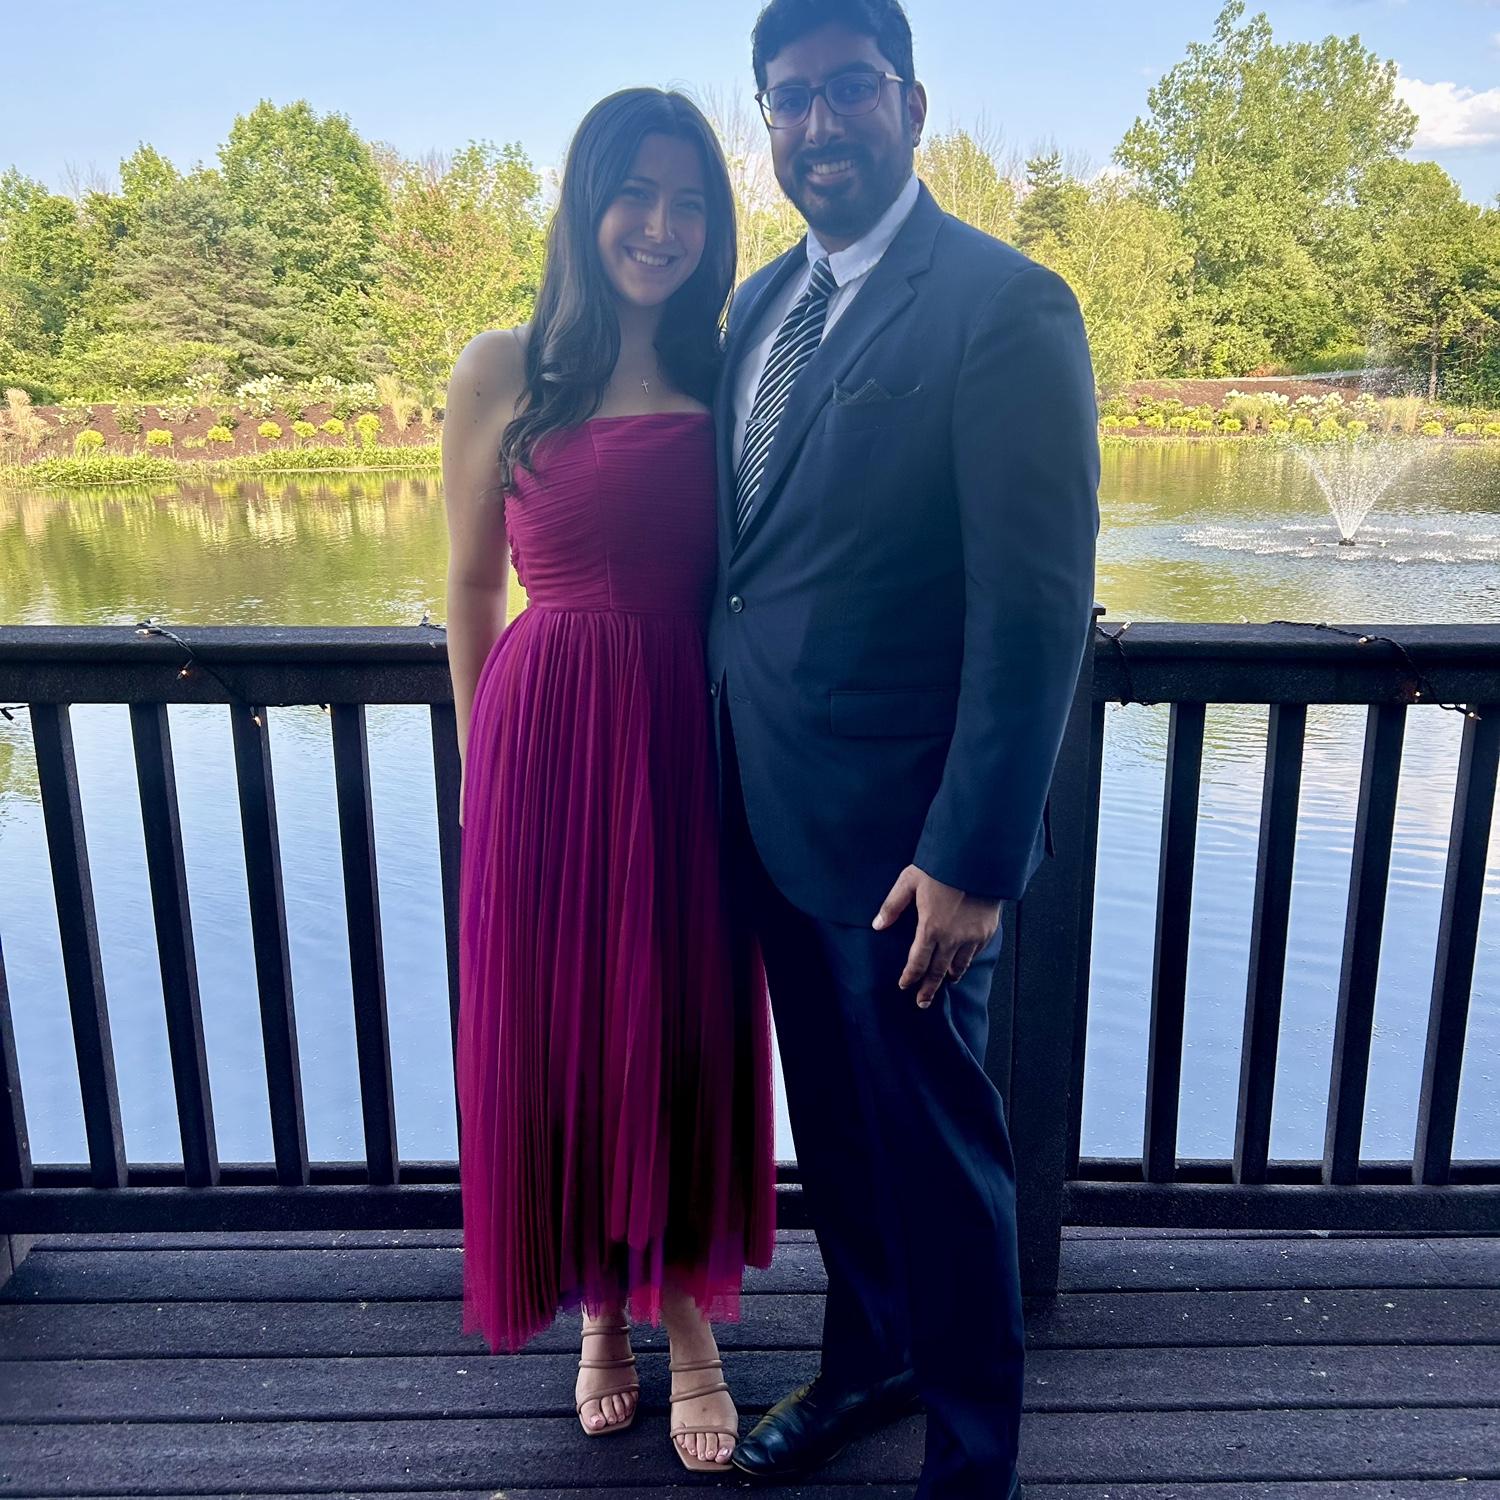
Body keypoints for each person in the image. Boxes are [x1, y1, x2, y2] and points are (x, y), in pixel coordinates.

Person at [707, 3, 1100, 1497]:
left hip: (911, 847)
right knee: (838, 1138)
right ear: (766, 118)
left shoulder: (1006, 307)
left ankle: (973, 1459)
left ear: (914, 104)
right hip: (771, 812)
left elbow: (1034, 607)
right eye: (790, 98)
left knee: (942, 1158)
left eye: (850, 90)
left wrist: (974, 856)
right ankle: (868, 1358)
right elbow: (751, 575)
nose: (820, 124)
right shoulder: (757, 305)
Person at [443, 87, 776, 1473]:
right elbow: (472, 590)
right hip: (544, 742)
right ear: (586, 207)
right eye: (634, 193)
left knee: (682, 1018)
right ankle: (600, 1317)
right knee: (567, 1032)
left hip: (686, 739)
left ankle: (688, 1320)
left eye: (690, 201)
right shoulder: (502, 368)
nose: (660, 225)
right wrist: (486, 784)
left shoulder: (736, 371)